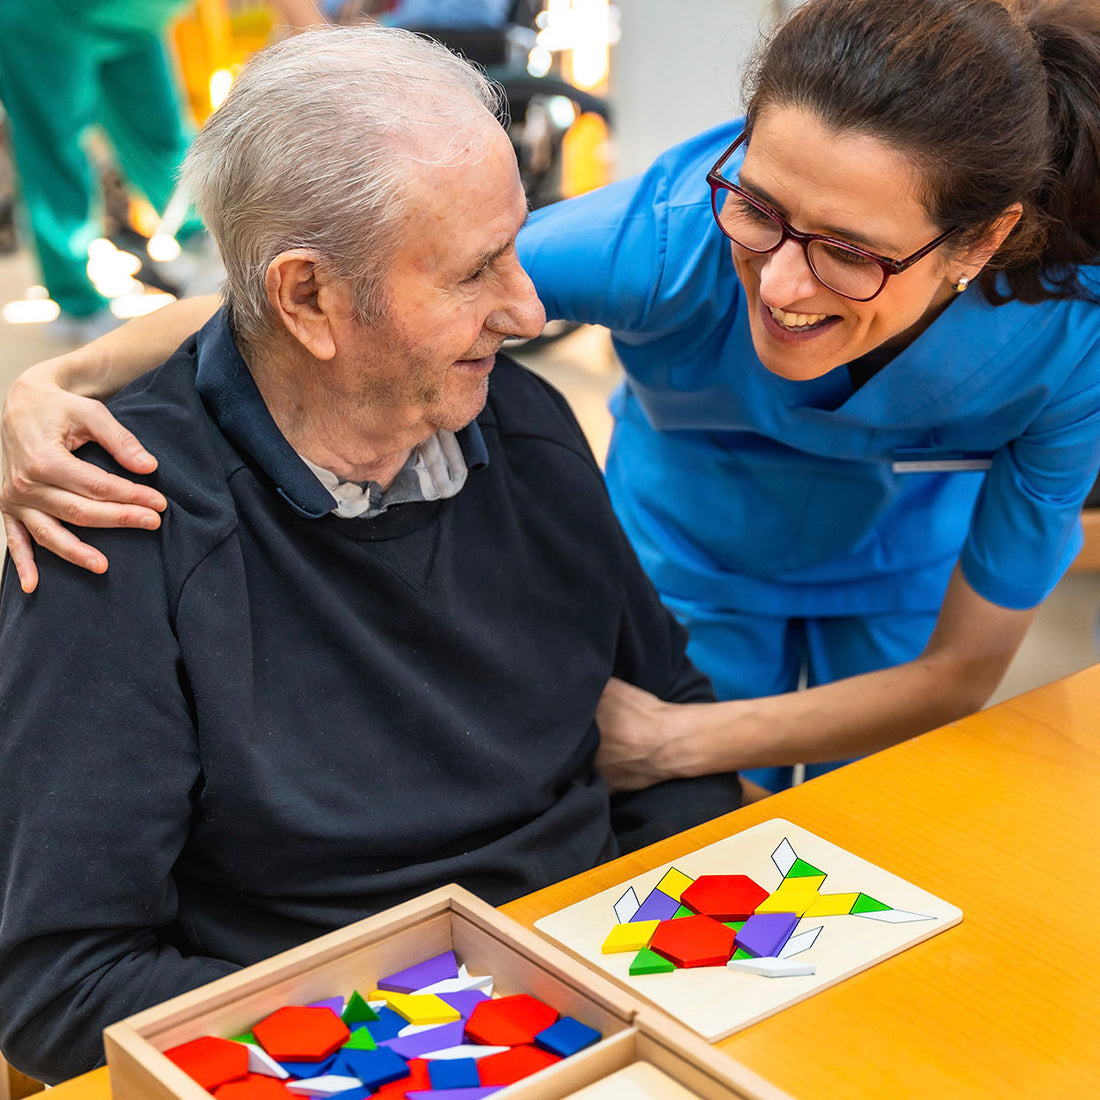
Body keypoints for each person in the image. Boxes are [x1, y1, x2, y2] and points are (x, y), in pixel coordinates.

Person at [3, 0, 1100, 793]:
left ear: (978, 241)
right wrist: (57, 376)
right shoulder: (667, 237)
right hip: (688, 552)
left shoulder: (1065, 344)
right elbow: (331, 289)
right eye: (758, 208)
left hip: (897, 572)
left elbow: (961, 672)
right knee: (718, 853)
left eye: (851, 254)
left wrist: (671, 743)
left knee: (881, 831)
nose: (776, 281)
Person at [0, 27, 741, 1085]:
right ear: (306, 299)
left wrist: (655, 981)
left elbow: (673, 723)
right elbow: (64, 984)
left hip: (595, 999)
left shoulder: (522, 426)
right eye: (475, 269)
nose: (528, 309)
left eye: (515, 248)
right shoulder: (114, 525)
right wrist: (450, 1050)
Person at [0, 0, 204, 340]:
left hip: (135, 16)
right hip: (45, 14)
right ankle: (75, 305)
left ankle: (206, 239)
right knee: (55, 154)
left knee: (162, 136)